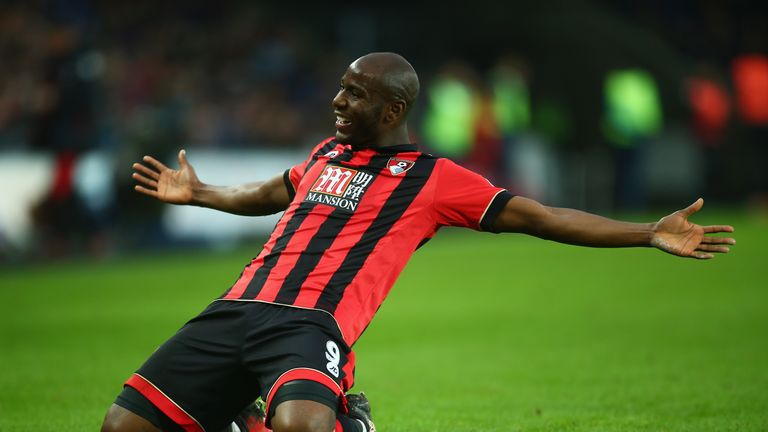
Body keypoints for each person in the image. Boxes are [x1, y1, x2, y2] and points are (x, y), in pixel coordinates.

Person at [101, 52, 735, 432]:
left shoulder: (435, 179)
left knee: (303, 426)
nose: (337, 101)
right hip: (234, 309)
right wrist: (203, 192)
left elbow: (540, 216)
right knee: (122, 425)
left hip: (310, 325)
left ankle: (351, 421)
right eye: (341, 88)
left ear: (393, 109)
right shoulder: (326, 154)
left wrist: (646, 233)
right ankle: (239, 418)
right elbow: (266, 195)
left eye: (354, 93)